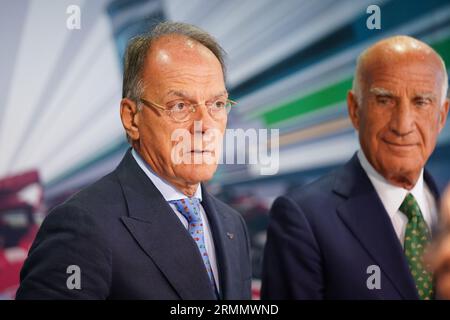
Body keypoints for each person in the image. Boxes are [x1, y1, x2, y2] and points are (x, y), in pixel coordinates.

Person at [16, 21, 252, 300]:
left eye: (216, 105)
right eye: (180, 106)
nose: (205, 126)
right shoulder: (82, 227)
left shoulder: (231, 224)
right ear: (131, 117)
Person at [261, 35, 449, 299]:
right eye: (385, 100)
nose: (403, 124)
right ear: (355, 109)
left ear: (441, 116)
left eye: (421, 102)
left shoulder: (446, 206)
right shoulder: (303, 218)